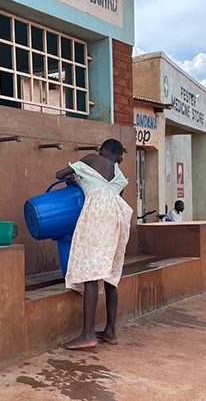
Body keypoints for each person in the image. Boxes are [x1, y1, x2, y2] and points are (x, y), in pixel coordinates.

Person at [54, 138, 133, 350]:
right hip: (118, 218)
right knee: (110, 275)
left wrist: (76, 173)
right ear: (118, 156)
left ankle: (88, 334)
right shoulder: (119, 175)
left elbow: (59, 175)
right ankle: (111, 331)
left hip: (97, 216)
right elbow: (114, 195)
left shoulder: (92, 158)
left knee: (91, 271)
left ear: (102, 150)